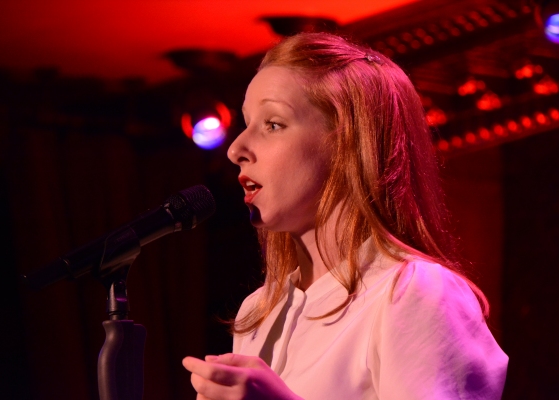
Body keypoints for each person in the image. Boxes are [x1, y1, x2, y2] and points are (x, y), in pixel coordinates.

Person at [183, 32, 508, 399]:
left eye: (273, 124)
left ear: (347, 142)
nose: (236, 149)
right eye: (245, 124)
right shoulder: (260, 312)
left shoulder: (413, 292)